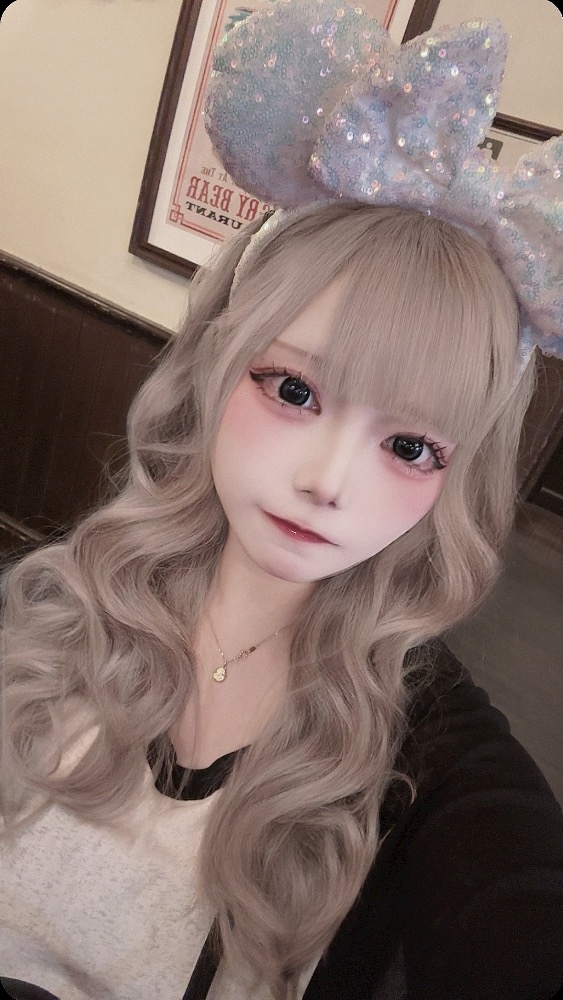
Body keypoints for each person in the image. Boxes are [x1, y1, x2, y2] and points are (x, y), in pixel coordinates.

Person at [1, 3, 563, 999]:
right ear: (218, 363)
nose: (328, 481)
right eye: (294, 390)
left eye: (408, 445)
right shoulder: (63, 600)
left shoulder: (430, 761)